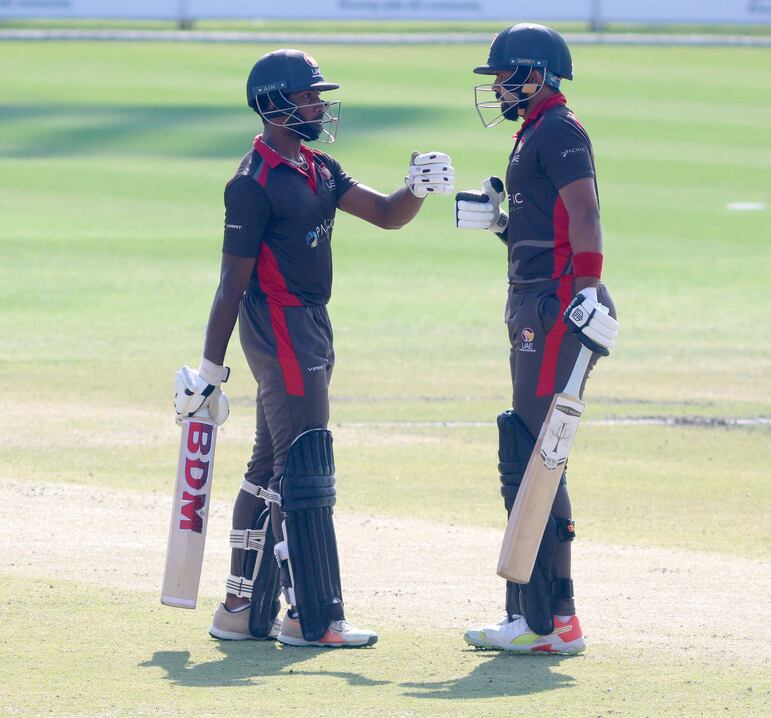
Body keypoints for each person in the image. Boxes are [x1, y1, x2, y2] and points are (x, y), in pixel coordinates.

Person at [174, 48, 454, 648]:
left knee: (271, 465)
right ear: (275, 104)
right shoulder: (251, 183)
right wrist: (208, 369)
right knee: (303, 463)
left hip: (311, 324)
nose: (319, 105)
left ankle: (238, 610)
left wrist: (416, 188)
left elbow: (384, 214)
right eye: (308, 97)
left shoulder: (317, 168)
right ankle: (310, 617)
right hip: (277, 326)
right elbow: (231, 283)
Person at [455, 23, 619, 654]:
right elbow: (546, 225)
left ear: (536, 75)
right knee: (538, 448)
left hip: (553, 306)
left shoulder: (558, 128)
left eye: (504, 75)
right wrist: (500, 225)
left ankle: (541, 623)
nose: (496, 86)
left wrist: (587, 287)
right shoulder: (534, 131)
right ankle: (556, 616)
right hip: (537, 297)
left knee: (531, 449)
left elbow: (585, 211)